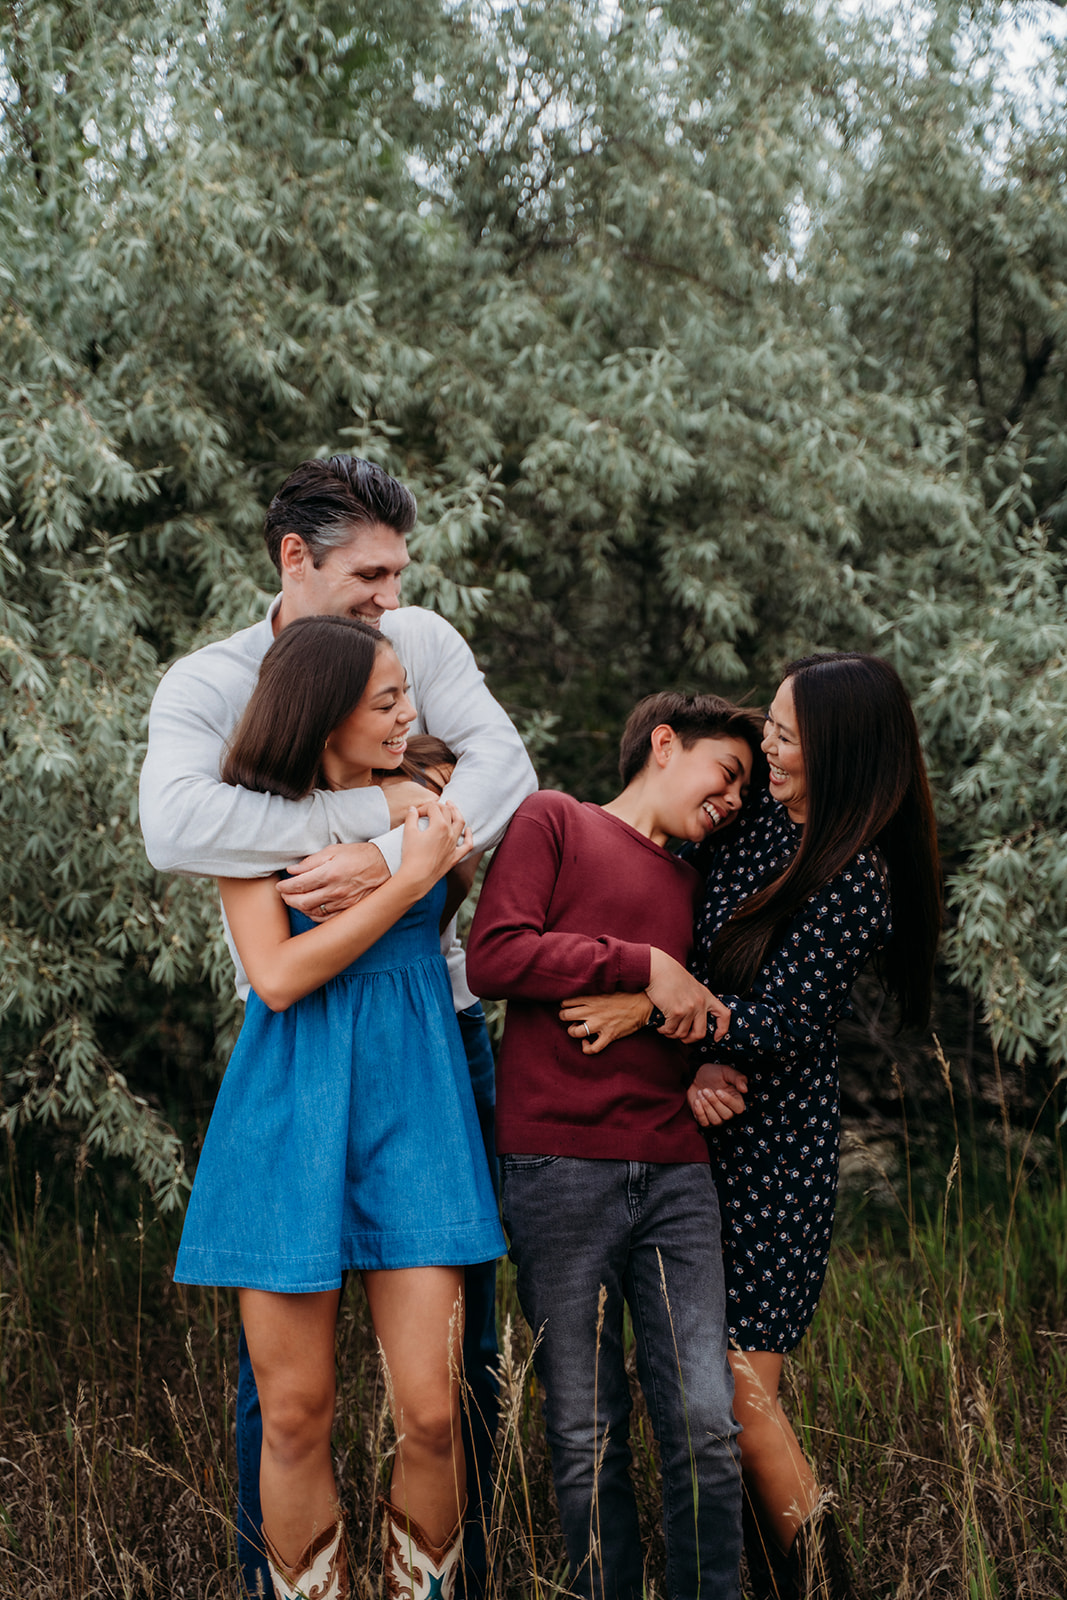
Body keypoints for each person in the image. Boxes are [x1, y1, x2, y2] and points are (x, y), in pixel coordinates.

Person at [139, 454, 537, 1598]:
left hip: (426, 1056)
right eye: (370, 576)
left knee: (446, 1392)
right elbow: (181, 834)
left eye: (396, 575)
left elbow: (502, 766)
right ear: (293, 557)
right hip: (295, 1070)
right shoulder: (213, 693)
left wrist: (405, 843)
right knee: (288, 1404)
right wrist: (385, 837)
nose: (391, 600)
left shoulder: (419, 652)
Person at [559, 653, 941, 1600]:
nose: (765, 745)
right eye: (769, 725)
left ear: (838, 751)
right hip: (691, 1127)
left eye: (783, 734)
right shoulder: (756, 822)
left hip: (772, 1151)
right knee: (692, 1387)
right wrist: (680, 1038)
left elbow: (785, 1021)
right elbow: (674, 913)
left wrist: (649, 1010)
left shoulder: (855, 877)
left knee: (739, 1391)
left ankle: (824, 1584)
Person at [465, 692, 768, 1600]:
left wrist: (695, 1047)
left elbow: (702, 1010)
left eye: (746, 791)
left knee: (703, 1423)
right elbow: (495, 955)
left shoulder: (698, 883)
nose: (734, 800)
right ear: (664, 744)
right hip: (556, 1167)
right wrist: (642, 963)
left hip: (677, 1172)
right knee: (583, 1430)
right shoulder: (553, 820)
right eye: (729, 773)